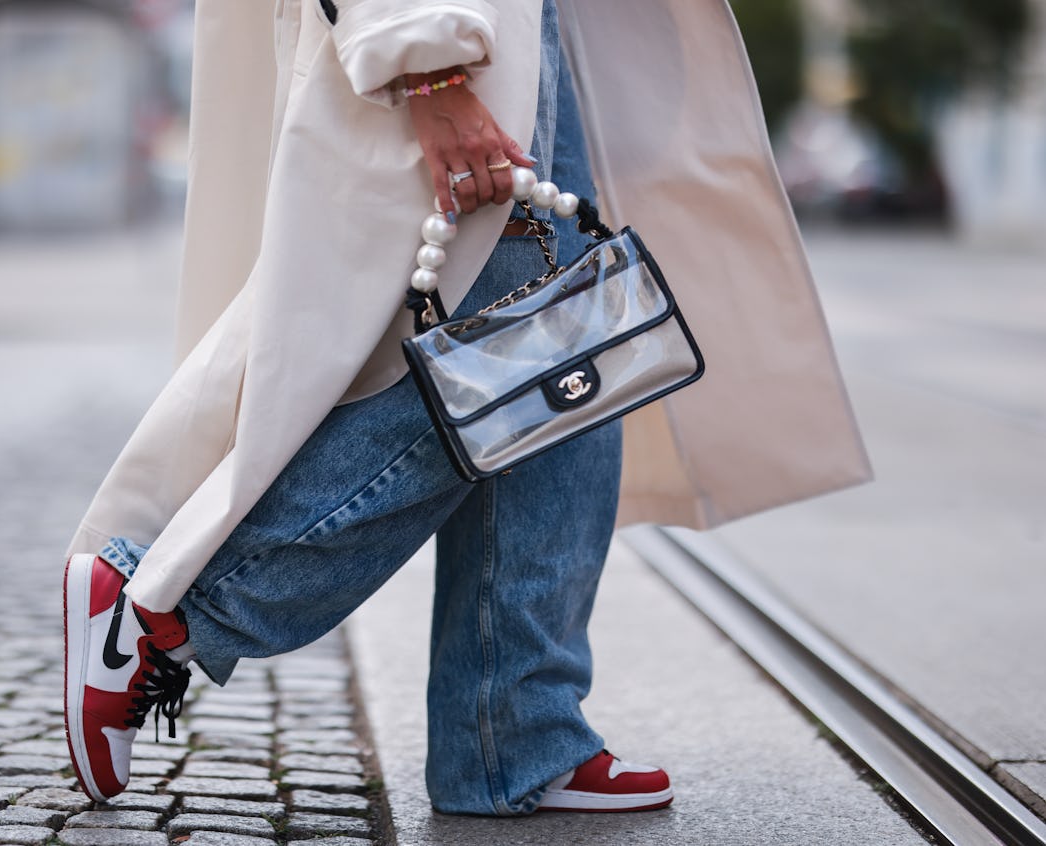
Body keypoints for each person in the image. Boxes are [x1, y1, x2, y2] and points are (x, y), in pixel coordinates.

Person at [61, 0, 871, 817]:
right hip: (464, 42)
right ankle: (167, 614)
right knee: (531, 357)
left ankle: (512, 736)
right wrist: (428, 68)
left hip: (525, 33)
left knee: (560, 384)